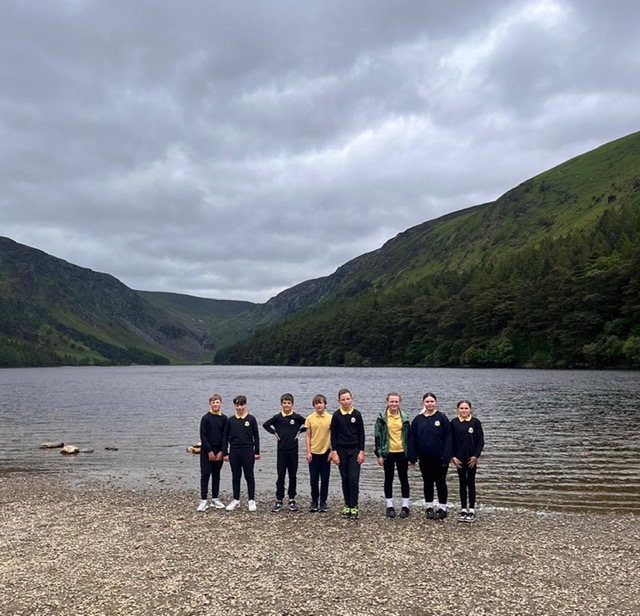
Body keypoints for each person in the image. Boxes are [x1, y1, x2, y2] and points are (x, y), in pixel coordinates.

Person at [409, 392, 452, 520]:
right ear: (423, 403)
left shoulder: (442, 418)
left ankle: (442, 508)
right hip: (424, 458)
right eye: (427, 402)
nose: (430, 404)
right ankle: (429, 507)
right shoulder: (418, 419)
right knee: (427, 482)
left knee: (440, 482)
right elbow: (412, 439)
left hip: (440, 458)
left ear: (436, 402)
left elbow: (448, 439)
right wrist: (413, 456)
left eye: (432, 401)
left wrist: (447, 456)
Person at [263, 393, 306, 512]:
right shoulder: (277, 418)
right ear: (281, 404)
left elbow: (309, 424)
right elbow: (265, 425)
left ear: (292, 404)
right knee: (280, 475)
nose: (286, 405)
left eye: (289, 403)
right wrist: (274, 433)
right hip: (281, 451)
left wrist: (300, 431)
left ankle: (292, 499)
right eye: (284, 403)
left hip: (293, 451)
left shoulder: (296, 417)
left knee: (293, 476)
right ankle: (279, 500)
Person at [374, 392, 411, 519]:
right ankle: (389, 506)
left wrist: (411, 454)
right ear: (387, 402)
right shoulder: (381, 418)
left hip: (402, 452)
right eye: (392, 401)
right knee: (388, 478)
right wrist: (379, 455)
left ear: (399, 403)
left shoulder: (405, 417)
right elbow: (377, 437)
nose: (394, 404)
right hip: (387, 452)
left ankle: (405, 506)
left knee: (403, 478)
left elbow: (409, 436)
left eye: (396, 401)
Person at [330, 388, 365, 519]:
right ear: (338, 400)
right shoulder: (336, 415)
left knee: (353, 479)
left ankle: (354, 505)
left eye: (348, 399)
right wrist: (334, 452)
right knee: (345, 479)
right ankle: (347, 505)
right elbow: (333, 434)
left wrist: (361, 451)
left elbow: (362, 434)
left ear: (352, 399)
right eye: (343, 399)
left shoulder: (357, 414)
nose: (345, 402)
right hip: (341, 450)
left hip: (355, 450)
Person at [222, 395, 260, 512]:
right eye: (237, 405)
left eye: (241, 405)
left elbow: (256, 436)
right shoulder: (230, 420)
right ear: (234, 406)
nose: (239, 407)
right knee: (236, 476)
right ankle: (236, 500)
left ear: (245, 405)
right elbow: (225, 437)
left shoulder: (251, 419)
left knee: (249, 476)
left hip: (248, 450)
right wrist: (225, 453)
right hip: (234, 451)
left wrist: (257, 451)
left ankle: (251, 500)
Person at [451, 399, 485, 523]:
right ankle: (463, 509)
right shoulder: (454, 423)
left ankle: (472, 509)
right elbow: (450, 442)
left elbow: (480, 441)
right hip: (459, 459)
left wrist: (476, 456)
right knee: (461, 483)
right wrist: (453, 457)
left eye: (466, 408)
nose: (464, 411)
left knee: (471, 482)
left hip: (471, 459)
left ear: (470, 409)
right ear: (458, 409)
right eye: (461, 408)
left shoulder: (475, 422)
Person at [196, 393, 228, 512]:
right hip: (206, 451)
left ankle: (215, 498)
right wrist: (209, 451)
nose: (215, 404)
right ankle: (203, 500)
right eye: (213, 402)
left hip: (218, 450)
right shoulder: (205, 418)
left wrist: (222, 452)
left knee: (216, 475)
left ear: (221, 403)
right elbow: (203, 436)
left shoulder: (224, 419)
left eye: (217, 402)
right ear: (210, 404)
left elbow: (226, 436)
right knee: (205, 474)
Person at [304, 394, 332, 512]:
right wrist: (308, 452)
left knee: (325, 478)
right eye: (316, 403)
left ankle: (323, 502)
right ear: (314, 405)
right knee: (314, 479)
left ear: (325, 404)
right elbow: (308, 435)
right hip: (314, 452)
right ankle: (314, 501)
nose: (319, 405)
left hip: (326, 452)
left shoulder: (331, 418)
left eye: (321, 403)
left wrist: (332, 451)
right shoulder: (310, 418)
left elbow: (334, 435)